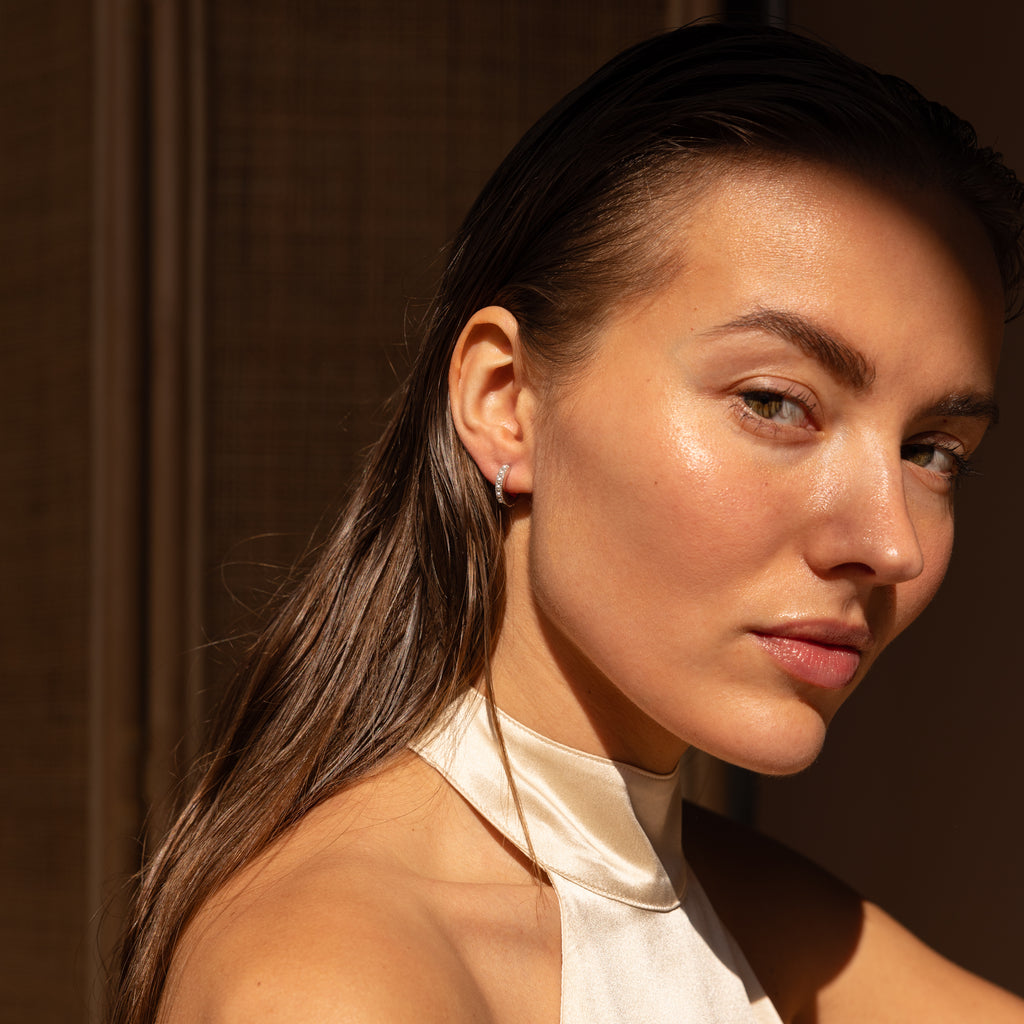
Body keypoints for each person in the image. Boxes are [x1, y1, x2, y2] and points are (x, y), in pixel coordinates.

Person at [110, 21, 1024, 1023]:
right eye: (774, 401)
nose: (890, 542)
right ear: (507, 401)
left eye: (931, 449)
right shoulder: (335, 979)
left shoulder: (734, 905)